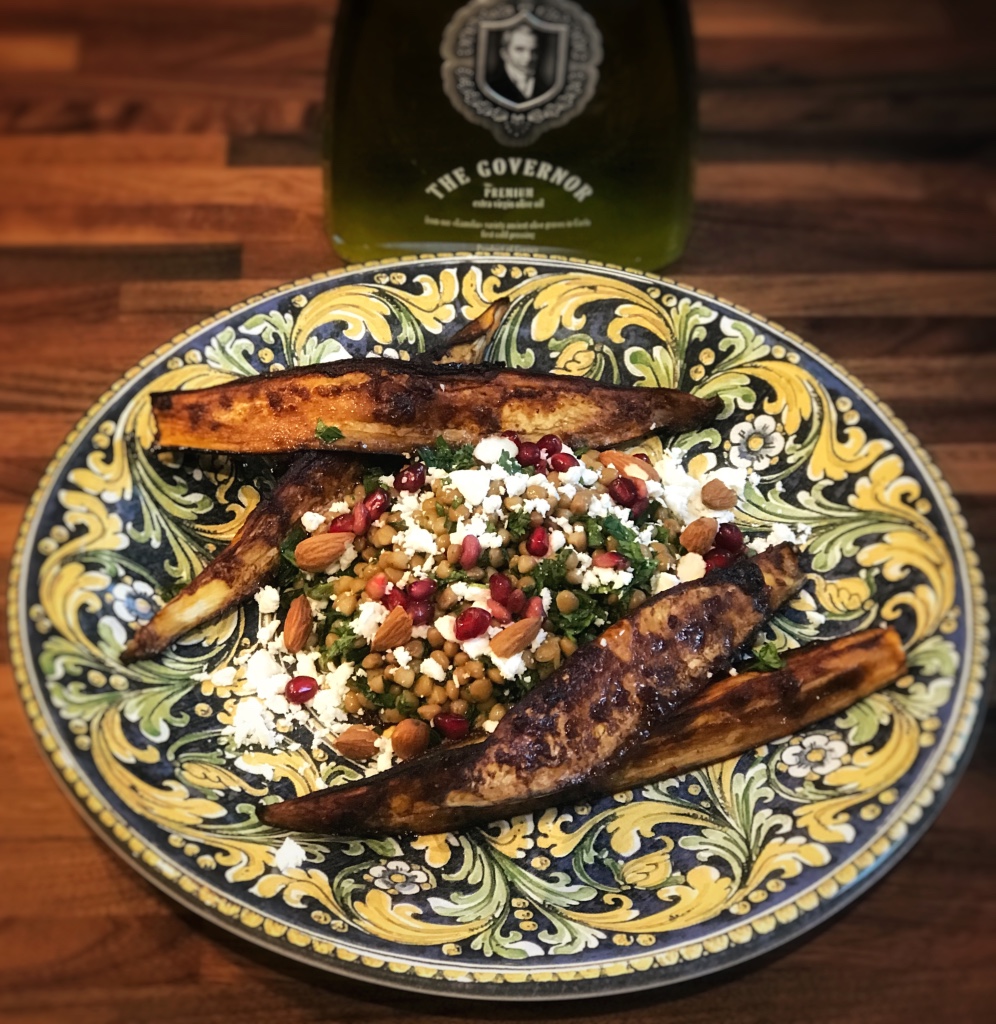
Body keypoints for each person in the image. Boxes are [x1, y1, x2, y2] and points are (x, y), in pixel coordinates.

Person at [487, 23, 543, 104]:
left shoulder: (545, 87)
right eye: (520, 49)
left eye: (534, 51)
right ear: (504, 53)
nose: (529, 57)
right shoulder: (490, 86)